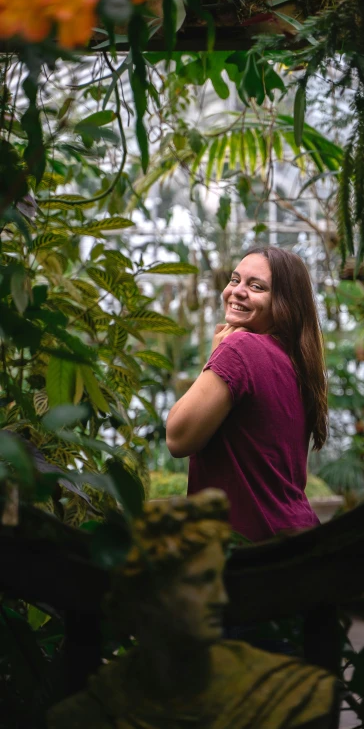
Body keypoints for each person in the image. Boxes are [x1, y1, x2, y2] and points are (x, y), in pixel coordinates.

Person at [47, 490, 339, 729]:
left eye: (215, 578)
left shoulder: (291, 693)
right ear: (146, 598)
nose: (221, 599)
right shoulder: (93, 710)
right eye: (199, 582)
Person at [166, 246, 328, 543]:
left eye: (256, 287)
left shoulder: (240, 349)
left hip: (249, 550)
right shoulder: (296, 363)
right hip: (296, 537)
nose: (237, 291)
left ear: (284, 303)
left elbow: (178, 437)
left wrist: (213, 359)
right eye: (234, 280)